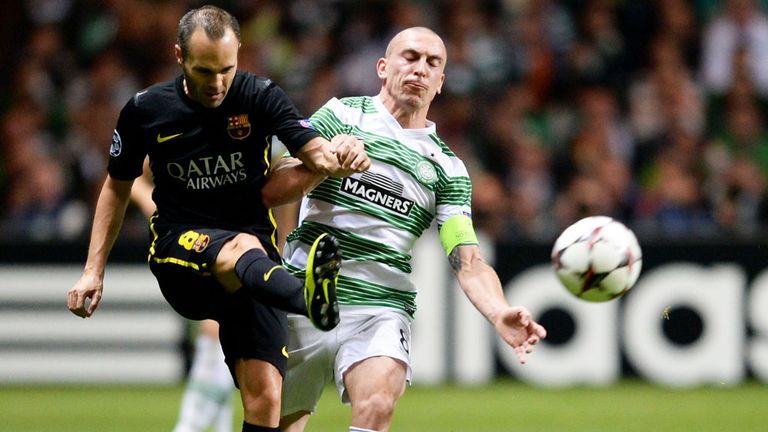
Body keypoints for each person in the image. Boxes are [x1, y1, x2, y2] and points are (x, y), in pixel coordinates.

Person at [66, 5, 370, 432]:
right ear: (179, 57)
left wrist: (340, 155)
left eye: (226, 69)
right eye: (204, 71)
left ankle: (299, 295)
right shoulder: (145, 111)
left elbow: (311, 151)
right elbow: (117, 186)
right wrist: (92, 271)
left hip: (257, 270)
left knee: (266, 398)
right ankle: (306, 298)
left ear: (239, 52)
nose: (217, 83)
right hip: (181, 252)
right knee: (241, 247)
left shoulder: (260, 95)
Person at [274, 27, 548, 432]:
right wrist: (324, 161)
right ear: (383, 68)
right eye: (410, 57)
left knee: (378, 405)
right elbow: (274, 184)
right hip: (303, 295)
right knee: (280, 424)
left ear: (441, 83)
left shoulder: (447, 168)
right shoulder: (340, 116)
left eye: (432, 63)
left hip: (380, 308)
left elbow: (467, 260)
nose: (420, 69)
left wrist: (498, 311)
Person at [132, 162, 234, 432]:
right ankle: (190, 424)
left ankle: (202, 424)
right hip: (198, 243)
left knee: (230, 339)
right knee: (217, 328)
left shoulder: (263, 134)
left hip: (247, 242)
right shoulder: (174, 126)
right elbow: (130, 175)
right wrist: (156, 208)